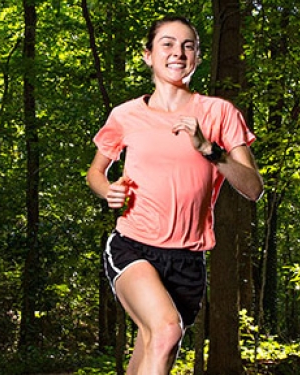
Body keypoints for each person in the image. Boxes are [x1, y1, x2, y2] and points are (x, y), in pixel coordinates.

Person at [86, 15, 264, 375]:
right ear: (148, 55)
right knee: (166, 331)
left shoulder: (219, 113)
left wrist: (209, 149)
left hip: (187, 260)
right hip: (133, 245)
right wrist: (109, 191)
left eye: (188, 45)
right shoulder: (125, 115)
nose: (178, 52)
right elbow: (95, 173)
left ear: (197, 56)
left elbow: (253, 187)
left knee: (152, 344)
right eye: (167, 43)